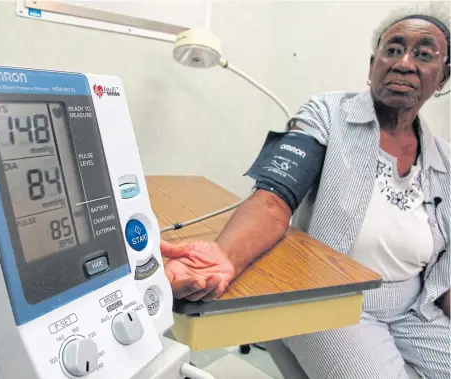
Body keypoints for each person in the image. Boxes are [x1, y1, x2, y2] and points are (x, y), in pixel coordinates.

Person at [160, 3, 450, 379]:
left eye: (424, 54)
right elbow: (273, 199)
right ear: (371, 65)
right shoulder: (328, 113)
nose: (404, 63)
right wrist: (225, 256)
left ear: (443, 77)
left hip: (415, 307)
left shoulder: (444, 159)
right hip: (334, 297)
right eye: (393, 49)